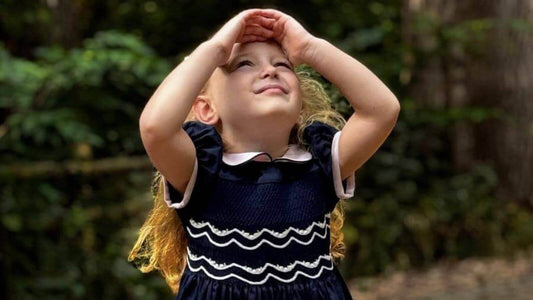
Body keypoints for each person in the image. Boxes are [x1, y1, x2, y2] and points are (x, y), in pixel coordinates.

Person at [129, 8, 400, 300]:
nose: (270, 71)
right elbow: (155, 127)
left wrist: (309, 47)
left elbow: (382, 110)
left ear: (299, 108)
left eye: (283, 65)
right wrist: (217, 48)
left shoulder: (320, 163)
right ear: (206, 109)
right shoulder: (199, 169)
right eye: (244, 64)